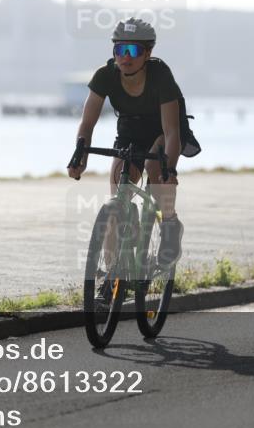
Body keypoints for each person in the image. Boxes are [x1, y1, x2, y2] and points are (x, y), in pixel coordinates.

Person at [68, 17, 190, 267]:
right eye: (119, 49)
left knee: (155, 168)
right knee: (116, 203)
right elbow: (87, 124)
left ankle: (169, 225)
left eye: (133, 50)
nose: (125, 56)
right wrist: (80, 157)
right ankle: (112, 277)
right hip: (129, 133)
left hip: (162, 132)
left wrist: (170, 168)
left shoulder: (161, 75)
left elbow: (172, 130)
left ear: (148, 53)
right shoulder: (105, 75)